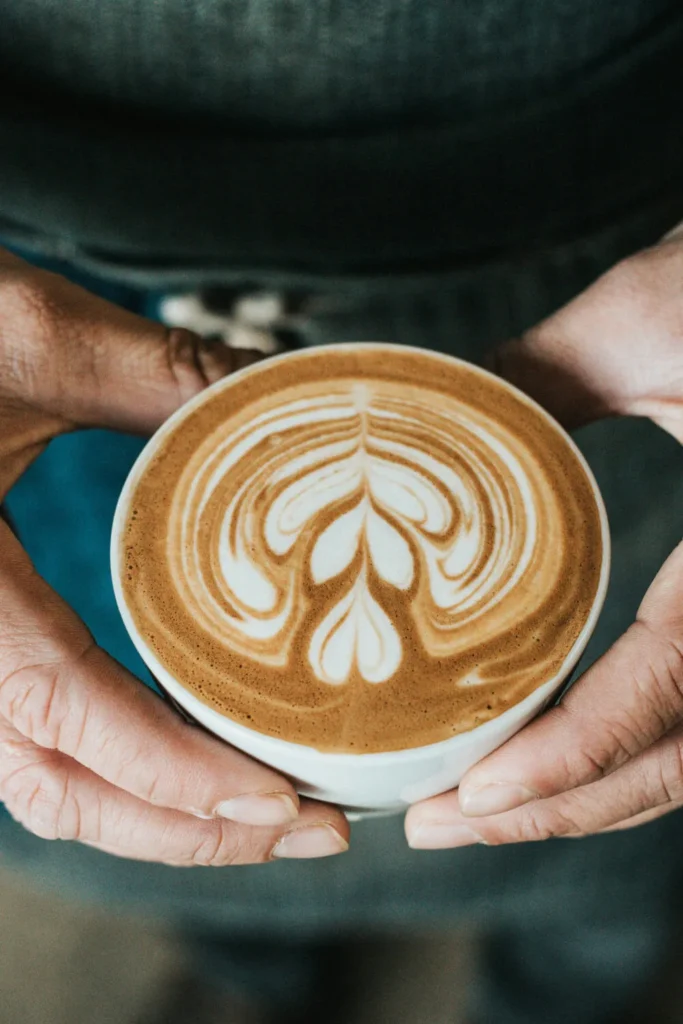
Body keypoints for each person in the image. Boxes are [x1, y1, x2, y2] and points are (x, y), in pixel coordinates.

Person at [1, 3, 683, 1022]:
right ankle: (256, 969)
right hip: (48, 278)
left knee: (615, 786)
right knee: (161, 775)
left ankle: (562, 995)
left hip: (598, 237)